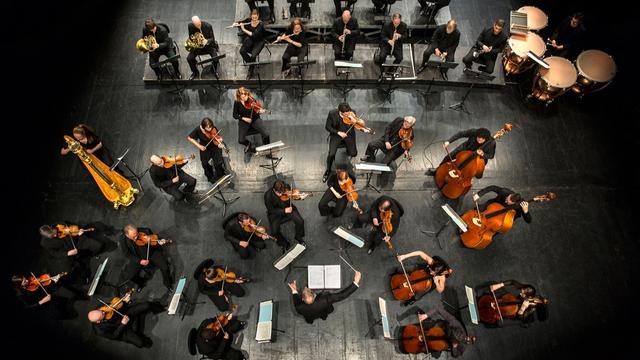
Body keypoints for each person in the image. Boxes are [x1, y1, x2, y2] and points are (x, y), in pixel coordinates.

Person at [87, 292, 164, 348]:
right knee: (140, 343)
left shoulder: (100, 307)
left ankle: (161, 308)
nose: (104, 311)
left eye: (101, 311)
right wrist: (123, 324)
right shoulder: (99, 331)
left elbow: (116, 306)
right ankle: (141, 334)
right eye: (102, 314)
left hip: (126, 313)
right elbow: (114, 336)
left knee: (147, 305)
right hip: (123, 330)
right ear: (98, 321)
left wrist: (125, 301)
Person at [398, 303, 475, 357]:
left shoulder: (463, 346)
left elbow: (455, 355)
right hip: (442, 328)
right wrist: (426, 315)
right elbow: (438, 309)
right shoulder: (455, 323)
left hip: (444, 343)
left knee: (435, 350)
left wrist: (454, 347)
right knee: (430, 328)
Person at [287, 271, 362, 324]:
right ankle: (323, 318)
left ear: (302, 299)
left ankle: (310, 322)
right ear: (314, 295)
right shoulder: (325, 299)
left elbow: (296, 297)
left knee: (309, 320)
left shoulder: (298, 306)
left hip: (309, 315)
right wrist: (356, 282)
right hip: (323, 311)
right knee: (323, 315)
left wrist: (294, 290)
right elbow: (342, 295)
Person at [120, 224, 174, 291]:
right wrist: (139, 261)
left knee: (165, 267)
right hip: (138, 257)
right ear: (127, 235)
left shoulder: (145, 231)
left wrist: (159, 242)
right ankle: (141, 282)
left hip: (151, 253)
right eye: (133, 237)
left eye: (136, 234)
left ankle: (167, 284)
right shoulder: (123, 240)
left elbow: (155, 240)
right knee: (130, 275)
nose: (136, 237)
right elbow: (127, 254)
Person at [425, 127, 495, 176]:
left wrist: (483, 154)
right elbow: (460, 134)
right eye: (478, 138)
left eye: (482, 139)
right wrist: (448, 141)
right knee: (448, 157)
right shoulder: (474, 132)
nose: (479, 140)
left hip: (477, 156)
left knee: (471, 169)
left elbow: (491, 155)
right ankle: (438, 170)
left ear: (486, 139)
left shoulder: (491, 143)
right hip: (466, 147)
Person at [477, 280, 549, 326]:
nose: (521, 292)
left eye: (523, 294)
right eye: (521, 290)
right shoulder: (528, 290)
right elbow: (512, 282)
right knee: (495, 285)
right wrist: (499, 285)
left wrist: (523, 308)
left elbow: (521, 317)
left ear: (529, 297)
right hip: (512, 300)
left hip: (516, 312)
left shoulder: (532, 307)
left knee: (499, 323)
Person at [323, 102, 363, 182]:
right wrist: (338, 132)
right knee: (331, 154)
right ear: (340, 112)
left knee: (353, 153)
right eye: (345, 114)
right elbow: (327, 127)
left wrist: (360, 126)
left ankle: (346, 166)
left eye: (348, 113)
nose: (347, 116)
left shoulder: (352, 112)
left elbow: (356, 125)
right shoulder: (332, 114)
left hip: (348, 135)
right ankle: (328, 170)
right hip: (336, 135)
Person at [11, 272, 77, 320]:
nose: (27, 280)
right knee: (62, 312)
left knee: (63, 301)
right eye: (24, 281)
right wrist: (42, 301)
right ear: (20, 286)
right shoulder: (21, 294)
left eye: (24, 278)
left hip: (47, 294)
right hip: (42, 304)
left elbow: (42, 281)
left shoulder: (30, 279)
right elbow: (28, 306)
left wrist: (53, 279)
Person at [264, 180, 308, 250]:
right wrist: (284, 211)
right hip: (276, 213)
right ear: (274, 190)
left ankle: (298, 237)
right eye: (279, 193)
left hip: (288, 207)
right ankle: (284, 243)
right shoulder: (268, 196)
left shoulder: (286, 187)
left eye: (282, 192)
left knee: (300, 221)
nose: (281, 194)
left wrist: (300, 197)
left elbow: (292, 195)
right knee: (274, 232)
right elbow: (271, 210)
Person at [187, 117, 227, 184]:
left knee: (218, 163)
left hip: (215, 147)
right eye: (207, 128)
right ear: (203, 127)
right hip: (205, 148)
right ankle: (210, 177)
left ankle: (221, 176)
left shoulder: (213, 128)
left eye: (210, 127)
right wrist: (199, 146)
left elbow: (217, 138)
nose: (210, 129)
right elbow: (189, 138)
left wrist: (219, 144)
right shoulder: (198, 129)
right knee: (204, 164)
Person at [233, 87, 270, 153]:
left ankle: (267, 150)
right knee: (241, 140)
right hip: (244, 121)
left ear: (248, 94)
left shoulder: (252, 100)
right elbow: (235, 115)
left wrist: (260, 111)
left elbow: (256, 110)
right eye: (242, 94)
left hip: (254, 119)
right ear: (239, 95)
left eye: (245, 94)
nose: (244, 96)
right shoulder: (237, 102)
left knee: (266, 134)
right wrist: (244, 118)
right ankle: (248, 144)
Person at [238, 10, 266, 79]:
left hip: (259, 41)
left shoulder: (261, 24)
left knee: (253, 56)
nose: (254, 19)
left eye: (255, 18)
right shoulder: (249, 20)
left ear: (258, 16)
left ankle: (250, 71)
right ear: (251, 16)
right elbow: (241, 22)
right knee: (242, 51)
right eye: (253, 18)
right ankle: (252, 63)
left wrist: (243, 29)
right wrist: (236, 24)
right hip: (251, 39)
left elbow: (253, 35)